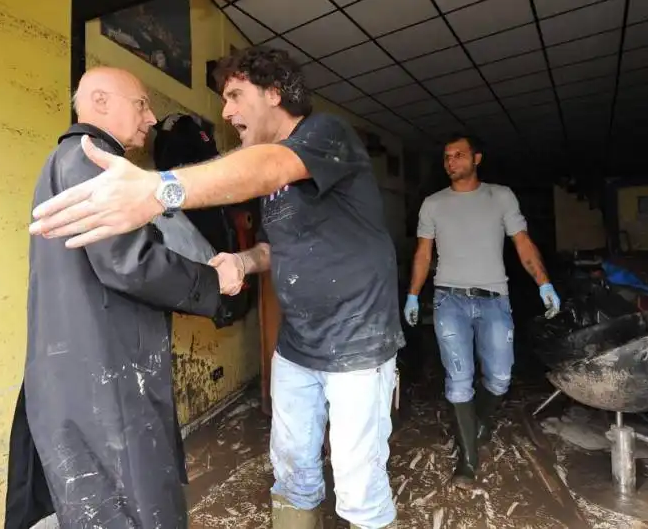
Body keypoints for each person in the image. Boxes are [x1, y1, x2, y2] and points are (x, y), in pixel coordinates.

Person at [28, 47, 404, 529]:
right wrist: (242, 262)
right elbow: (273, 247)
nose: (225, 112)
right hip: (298, 347)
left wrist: (157, 188)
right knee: (292, 474)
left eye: (234, 95)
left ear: (274, 94)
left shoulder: (325, 134)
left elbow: (269, 166)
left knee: (357, 488)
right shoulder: (266, 179)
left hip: (358, 346)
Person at [5, 67, 242, 529]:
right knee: (132, 507)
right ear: (99, 101)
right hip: (104, 382)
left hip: (90, 370)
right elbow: (128, 262)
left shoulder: (73, 161)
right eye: (141, 104)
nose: (152, 117)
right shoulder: (89, 159)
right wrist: (213, 282)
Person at [403, 134, 561, 489]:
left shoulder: (500, 196)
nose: (451, 162)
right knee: (458, 381)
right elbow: (423, 255)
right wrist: (414, 294)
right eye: (446, 157)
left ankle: (480, 423)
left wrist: (543, 283)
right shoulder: (433, 204)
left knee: (501, 377)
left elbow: (523, 244)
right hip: (449, 302)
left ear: (477, 158)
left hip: (494, 299)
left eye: (459, 155)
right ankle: (468, 460)